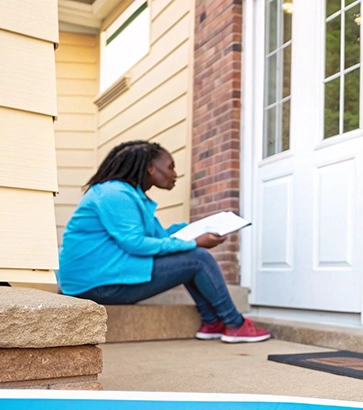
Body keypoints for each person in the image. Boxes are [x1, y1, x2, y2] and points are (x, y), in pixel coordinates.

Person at [58, 140, 271, 343]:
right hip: (95, 285)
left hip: (104, 277)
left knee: (190, 258)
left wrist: (192, 230)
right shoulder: (115, 194)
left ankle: (212, 322)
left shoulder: (127, 194)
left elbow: (158, 238)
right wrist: (195, 243)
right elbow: (136, 244)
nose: (175, 174)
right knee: (197, 259)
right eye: (170, 167)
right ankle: (235, 324)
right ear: (151, 168)